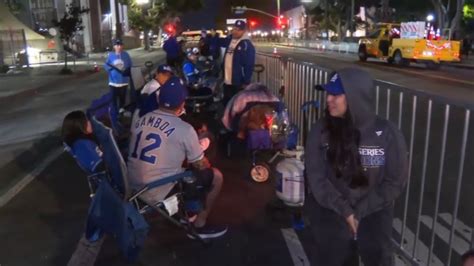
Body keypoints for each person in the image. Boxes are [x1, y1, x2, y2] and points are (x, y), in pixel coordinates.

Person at [305, 68, 408, 266]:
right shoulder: (321, 130)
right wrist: (346, 211)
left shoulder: (387, 133)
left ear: (355, 96)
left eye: (336, 94)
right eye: (328, 93)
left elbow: (395, 181)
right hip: (332, 208)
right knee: (332, 255)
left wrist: (361, 211)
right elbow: (317, 178)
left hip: (374, 208)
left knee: (379, 256)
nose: (328, 99)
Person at [127, 77, 227, 239]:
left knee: (182, 165)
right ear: (182, 103)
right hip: (155, 190)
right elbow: (201, 165)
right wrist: (200, 157)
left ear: (159, 98)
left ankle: (186, 211)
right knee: (215, 176)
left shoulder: (143, 119)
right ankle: (199, 225)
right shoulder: (185, 129)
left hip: (132, 186)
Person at [221, 20, 256, 105]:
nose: (235, 31)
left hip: (238, 83)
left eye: (239, 30)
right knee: (227, 104)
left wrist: (246, 81)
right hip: (227, 81)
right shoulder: (230, 41)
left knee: (237, 106)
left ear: (244, 31)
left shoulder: (247, 45)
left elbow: (249, 64)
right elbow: (218, 42)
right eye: (234, 29)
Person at [104, 39, 132, 111]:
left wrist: (128, 72)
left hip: (123, 82)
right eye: (117, 45)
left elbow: (130, 66)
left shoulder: (126, 55)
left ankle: (121, 111)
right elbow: (106, 66)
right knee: (113, 100)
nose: (119, 47)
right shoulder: (110, 55)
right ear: (114, 46)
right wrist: (112, 67)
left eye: (120, 45)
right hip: (113, 82)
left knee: (122, 99)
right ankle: (114, 113)